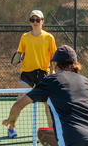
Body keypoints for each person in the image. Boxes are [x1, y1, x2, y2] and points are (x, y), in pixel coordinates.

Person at [8, 10, 57, 138]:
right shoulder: (25, 37)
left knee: (49, 103)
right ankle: (11, 128)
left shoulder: (49, 37)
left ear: (42, 21)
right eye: (32, 20)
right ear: (30, 22)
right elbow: (20, 53)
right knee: (20, 101)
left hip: (43, 74)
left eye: (38, 20)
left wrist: (53, 70)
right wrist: (17, 60)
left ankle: (51, 130)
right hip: (27, 73)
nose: (35, 22)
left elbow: (54, 56)